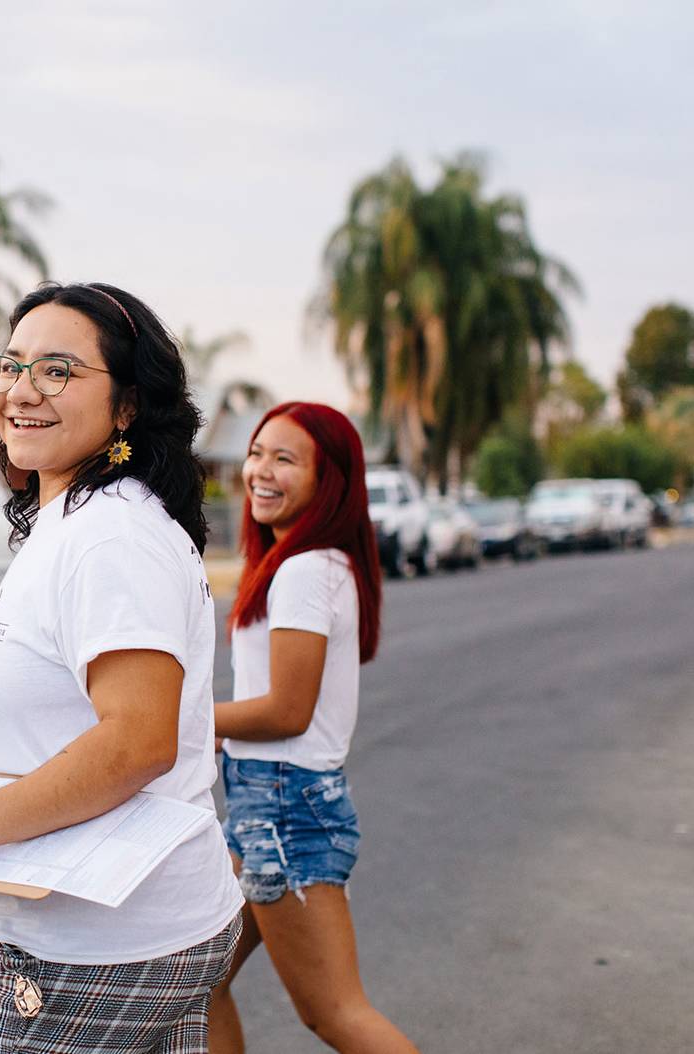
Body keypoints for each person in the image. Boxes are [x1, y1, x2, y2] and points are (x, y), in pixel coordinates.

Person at [0, 282, 243, 1053]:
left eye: (58, 370)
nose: (21, 389)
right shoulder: (72, 523)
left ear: (127, 408)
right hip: (126, 921)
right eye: (10, 366)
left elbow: (137, 740)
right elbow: (74, 706)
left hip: (96, 940)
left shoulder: (111, 537)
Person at [205, 402, 418, 1054]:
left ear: (329, 481)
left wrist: (180, 721)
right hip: (264, 806)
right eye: (257, 453)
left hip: (283, 808)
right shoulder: (311, 563)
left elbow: (286, 712)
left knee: (335, 1014)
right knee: (195, 980)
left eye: (285, 459)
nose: (261, 471)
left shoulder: (303, 569)